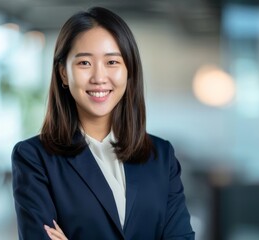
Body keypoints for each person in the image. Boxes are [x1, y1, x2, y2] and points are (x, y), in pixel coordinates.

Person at [11, 6, 195, 240]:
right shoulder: (34, 158)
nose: (99, 77)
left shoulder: (161, 156)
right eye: (84, 63)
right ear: (63, 74)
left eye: (112, 62)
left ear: (129, 72)